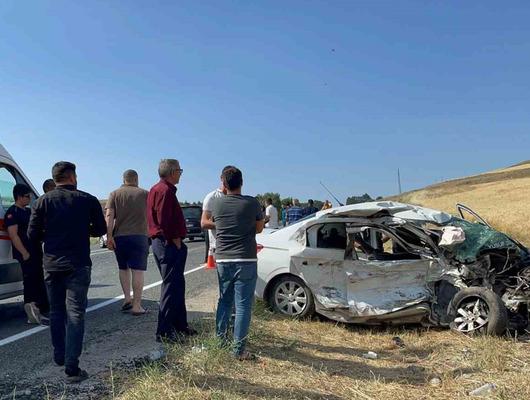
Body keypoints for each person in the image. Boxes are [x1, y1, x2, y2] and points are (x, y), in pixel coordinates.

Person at [28, 161, 106, 383]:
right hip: (78, 263)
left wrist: (50, 236)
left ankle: (59, 355)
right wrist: (83, 229)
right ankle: (72, 367)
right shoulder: (87, 200)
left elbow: (32, 235)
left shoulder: (41, 202)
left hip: (52, 263)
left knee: (56, 311)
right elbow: (100, 229)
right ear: (72, 177)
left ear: (54, 179)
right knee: (75, 313)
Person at [202, 166, 264, 360]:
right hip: (246, 258)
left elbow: (209, 222)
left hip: (223, 259)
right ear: (242, 182)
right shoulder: (252, 203)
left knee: (224, 300)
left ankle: (220, 340)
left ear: (223, 183)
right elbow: (259, 228)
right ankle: (238, 350)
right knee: (243, 305)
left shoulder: (217, 205)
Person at [147, 159, 196, 342]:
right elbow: (163, 220)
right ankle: (164, 331)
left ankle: (179, 324)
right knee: (170, 287)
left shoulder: (159, 189)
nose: (181, 174)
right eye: (180, 171)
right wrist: (175, 240)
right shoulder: (164, 191)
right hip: (167, 244)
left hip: (165, 243)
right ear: (173, 172)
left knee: (177, 285)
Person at [105, 169, 149, 315]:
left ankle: (127, 299)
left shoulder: (114, 194)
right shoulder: (144, 194)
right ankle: (137, 306)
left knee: (123, 268)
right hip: (139, 236)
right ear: (136, 179)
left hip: (120, 236)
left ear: (124, 180)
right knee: (138, 271)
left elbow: (109, 216)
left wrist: (109, 236)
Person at [5, 184, 49, 324]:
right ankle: (31, 310)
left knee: (39, 279)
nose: (29, 199)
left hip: (35, 250)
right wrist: (24, 252)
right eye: (27, 196)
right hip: (25, 253)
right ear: (19, 197)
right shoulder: (12, 213)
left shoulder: (29, 211)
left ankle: (43, 309)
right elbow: (13, 235)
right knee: (30, 282)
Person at [201, 167, 229, 259]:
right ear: (221, 178)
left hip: (234, 246)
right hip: (218, 247)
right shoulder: (211, 197)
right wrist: (224, 224)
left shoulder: (236, 197)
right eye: (227, 177)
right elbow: (204, 223)